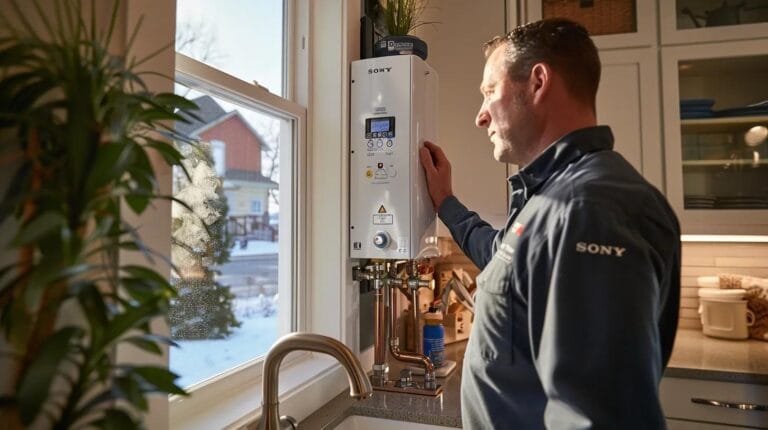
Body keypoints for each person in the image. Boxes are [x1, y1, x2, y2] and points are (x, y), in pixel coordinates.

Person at [419, 18, 681, 429]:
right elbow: (502, 257)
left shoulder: (592, 210)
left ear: (538, 82)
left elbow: (596, 418)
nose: (480, 117)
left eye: (490, 92)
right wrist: (447, 204)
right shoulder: (553, 196)